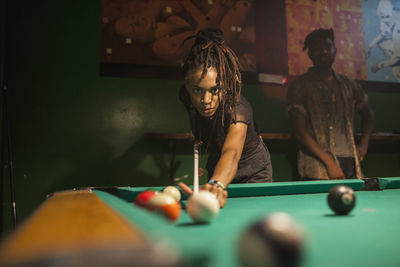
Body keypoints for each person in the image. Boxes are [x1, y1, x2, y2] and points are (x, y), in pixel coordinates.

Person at [178, 28, 272, 207]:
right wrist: (197, 133)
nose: (206, 100)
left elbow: (232, 153)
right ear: (187, 86)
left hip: (253, 170)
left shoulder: (237, 108)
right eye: (197, 90)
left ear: (226, 85)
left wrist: (215, 184)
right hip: (218, 161)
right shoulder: (184, 96)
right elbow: (197, 117)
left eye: (215, 90)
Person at [286, 28, 374, 180]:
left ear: (335, 50)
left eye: (327, 46)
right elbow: (300, 132)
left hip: (350, 161)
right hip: (317, 166)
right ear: (309, 53)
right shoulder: (299, 85)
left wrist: (364, 145)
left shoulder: (348, 84)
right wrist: (330, 163)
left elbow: (368, 113)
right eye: (317, 48)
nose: (324, 51)